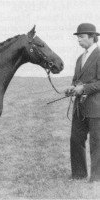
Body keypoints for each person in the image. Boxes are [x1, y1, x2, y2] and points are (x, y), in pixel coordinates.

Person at [65, 23, 100, 182]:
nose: (78, 40)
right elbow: (75, 80)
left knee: (96, 143)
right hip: (80, 108)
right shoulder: (80, 58)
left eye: (81, 37)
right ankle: (79, 174)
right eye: (77, 37)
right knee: (76, 139)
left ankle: (97, 177)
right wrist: (72, 88)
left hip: (96, 108)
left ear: (92, 37)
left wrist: (83, 89)